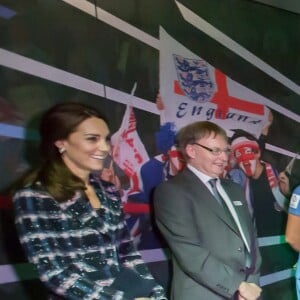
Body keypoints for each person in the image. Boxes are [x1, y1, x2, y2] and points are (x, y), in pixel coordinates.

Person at [13, 102, 166, 300]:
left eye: (106, 139)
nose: (104, 148)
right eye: (92, 139)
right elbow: (54, 273)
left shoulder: (108, 190)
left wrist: (155, 293)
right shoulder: (35, 195)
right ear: (61, 142)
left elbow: (127, 252)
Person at [154, 121, 262, 300]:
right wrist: (237, 286)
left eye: (226, 150)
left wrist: (253, 281)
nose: (224, 158)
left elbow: (251, 238)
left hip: (249, 292)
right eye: (215, 150)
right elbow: (191, 253)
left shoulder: (234, 188)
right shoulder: (171, 192)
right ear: (191, 150)